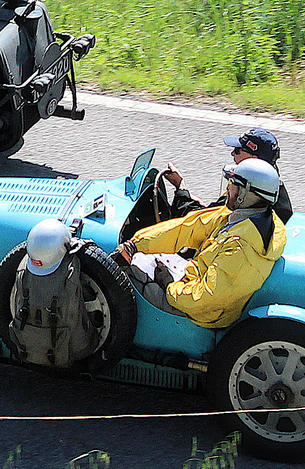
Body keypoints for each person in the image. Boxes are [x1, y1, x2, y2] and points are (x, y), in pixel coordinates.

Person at [115, 158, 287, 329]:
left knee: (125, 275)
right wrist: (135, 244)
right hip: (194, 282)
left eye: (233, 184)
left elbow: (206, 298)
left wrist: (170, 287)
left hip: (203, 313)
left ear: (245, 194)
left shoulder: (241, 248)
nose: (228, 188)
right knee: (142, 255)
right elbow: (188, 228)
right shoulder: (249, 217)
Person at [159, 126, 293, 222]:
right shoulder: (271, 188)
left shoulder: (246, 192)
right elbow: (215, 211)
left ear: (253, 159)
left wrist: (181, 188)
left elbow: (196, 219)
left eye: (238, 150)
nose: (233, 154)